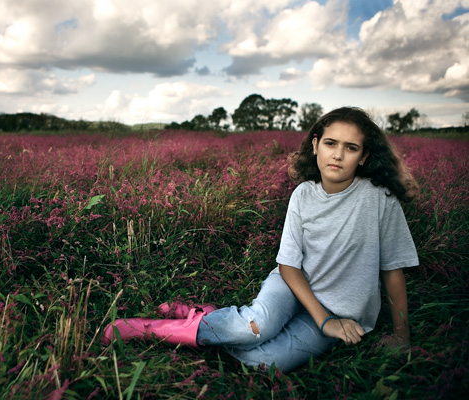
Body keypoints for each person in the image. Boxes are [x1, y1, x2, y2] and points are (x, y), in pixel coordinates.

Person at [102, 107, 419, 373]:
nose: (337, 155)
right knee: (256, 327)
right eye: (330, 143)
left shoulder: (380, 200)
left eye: (350, 148)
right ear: (315, 145)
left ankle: (205, 318)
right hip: (292, 285)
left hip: (341, 310)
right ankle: (150, 329)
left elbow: (393, 269)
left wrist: (400, 337)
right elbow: (289, 267)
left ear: (363, 157)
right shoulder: (303, 195)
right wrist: (324, 323)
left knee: (262, 360)